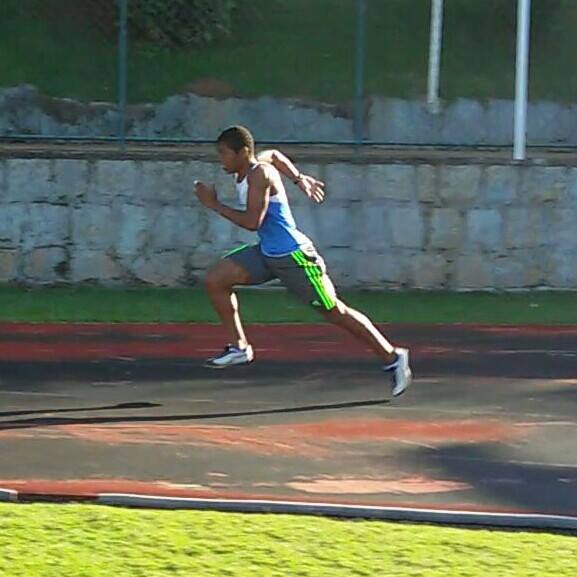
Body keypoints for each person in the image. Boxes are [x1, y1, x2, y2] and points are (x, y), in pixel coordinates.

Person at [194, 125, 412, 397]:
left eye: (224, 153)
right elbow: (273, 154)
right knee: (216, 280)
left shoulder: (259, 174)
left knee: (335, 312)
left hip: (295, 257)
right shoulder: (259, 164)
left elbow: (252, 222)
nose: (221, 159)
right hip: (268, 254)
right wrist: (299, 179)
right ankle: (239, 347)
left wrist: (213, 205)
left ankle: (393, 357)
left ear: (244, 152)